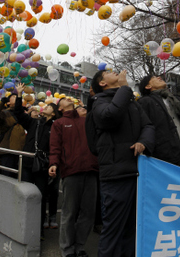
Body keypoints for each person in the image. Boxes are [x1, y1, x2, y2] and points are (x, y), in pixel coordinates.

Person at [89, 69, 155, 257]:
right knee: (113, 231)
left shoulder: (131, 102)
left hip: (136, 173)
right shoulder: (99, 102)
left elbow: (148, 125)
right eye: (109, 72)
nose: (115, 72)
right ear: (103, 83)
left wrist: (144, 142)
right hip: (116, 176)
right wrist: (125, 88)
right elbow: (110, 117)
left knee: (132, 230)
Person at [49, 98, 99, 257]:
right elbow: (55, 147)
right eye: (63, 100)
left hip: (91, 171)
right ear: (61, 108)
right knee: (69, 212)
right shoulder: (59, 123)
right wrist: (54, 163)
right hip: (71, 172)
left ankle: (80, 246)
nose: (68, 100)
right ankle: (67, 249)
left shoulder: (87, 121)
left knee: (88, 213)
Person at [12, 83, 60, 240]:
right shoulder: (34, 122)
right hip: (27, 164)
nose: (45, 107)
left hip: (42, 167)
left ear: (53, 113)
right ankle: (22, 227)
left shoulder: (54, 127)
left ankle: (38, 230)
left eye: (49, 107)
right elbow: (18, 112)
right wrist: (19, 95)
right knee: (25, 195)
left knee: (39, 197)